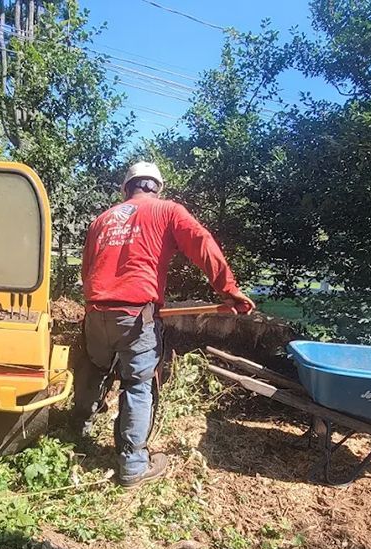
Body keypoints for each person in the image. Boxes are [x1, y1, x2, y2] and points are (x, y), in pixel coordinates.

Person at [71, 161, 255, 488]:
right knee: (137, 385)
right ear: (157, 187)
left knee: (95, 367)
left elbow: (88, 268)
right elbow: (201, 242)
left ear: (126, 188)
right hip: (135, 316)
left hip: (95, 312)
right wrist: (229, 290)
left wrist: (98, 306)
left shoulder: (102, 219)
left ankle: (77, 431)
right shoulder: (167, 211)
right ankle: (132, 466)